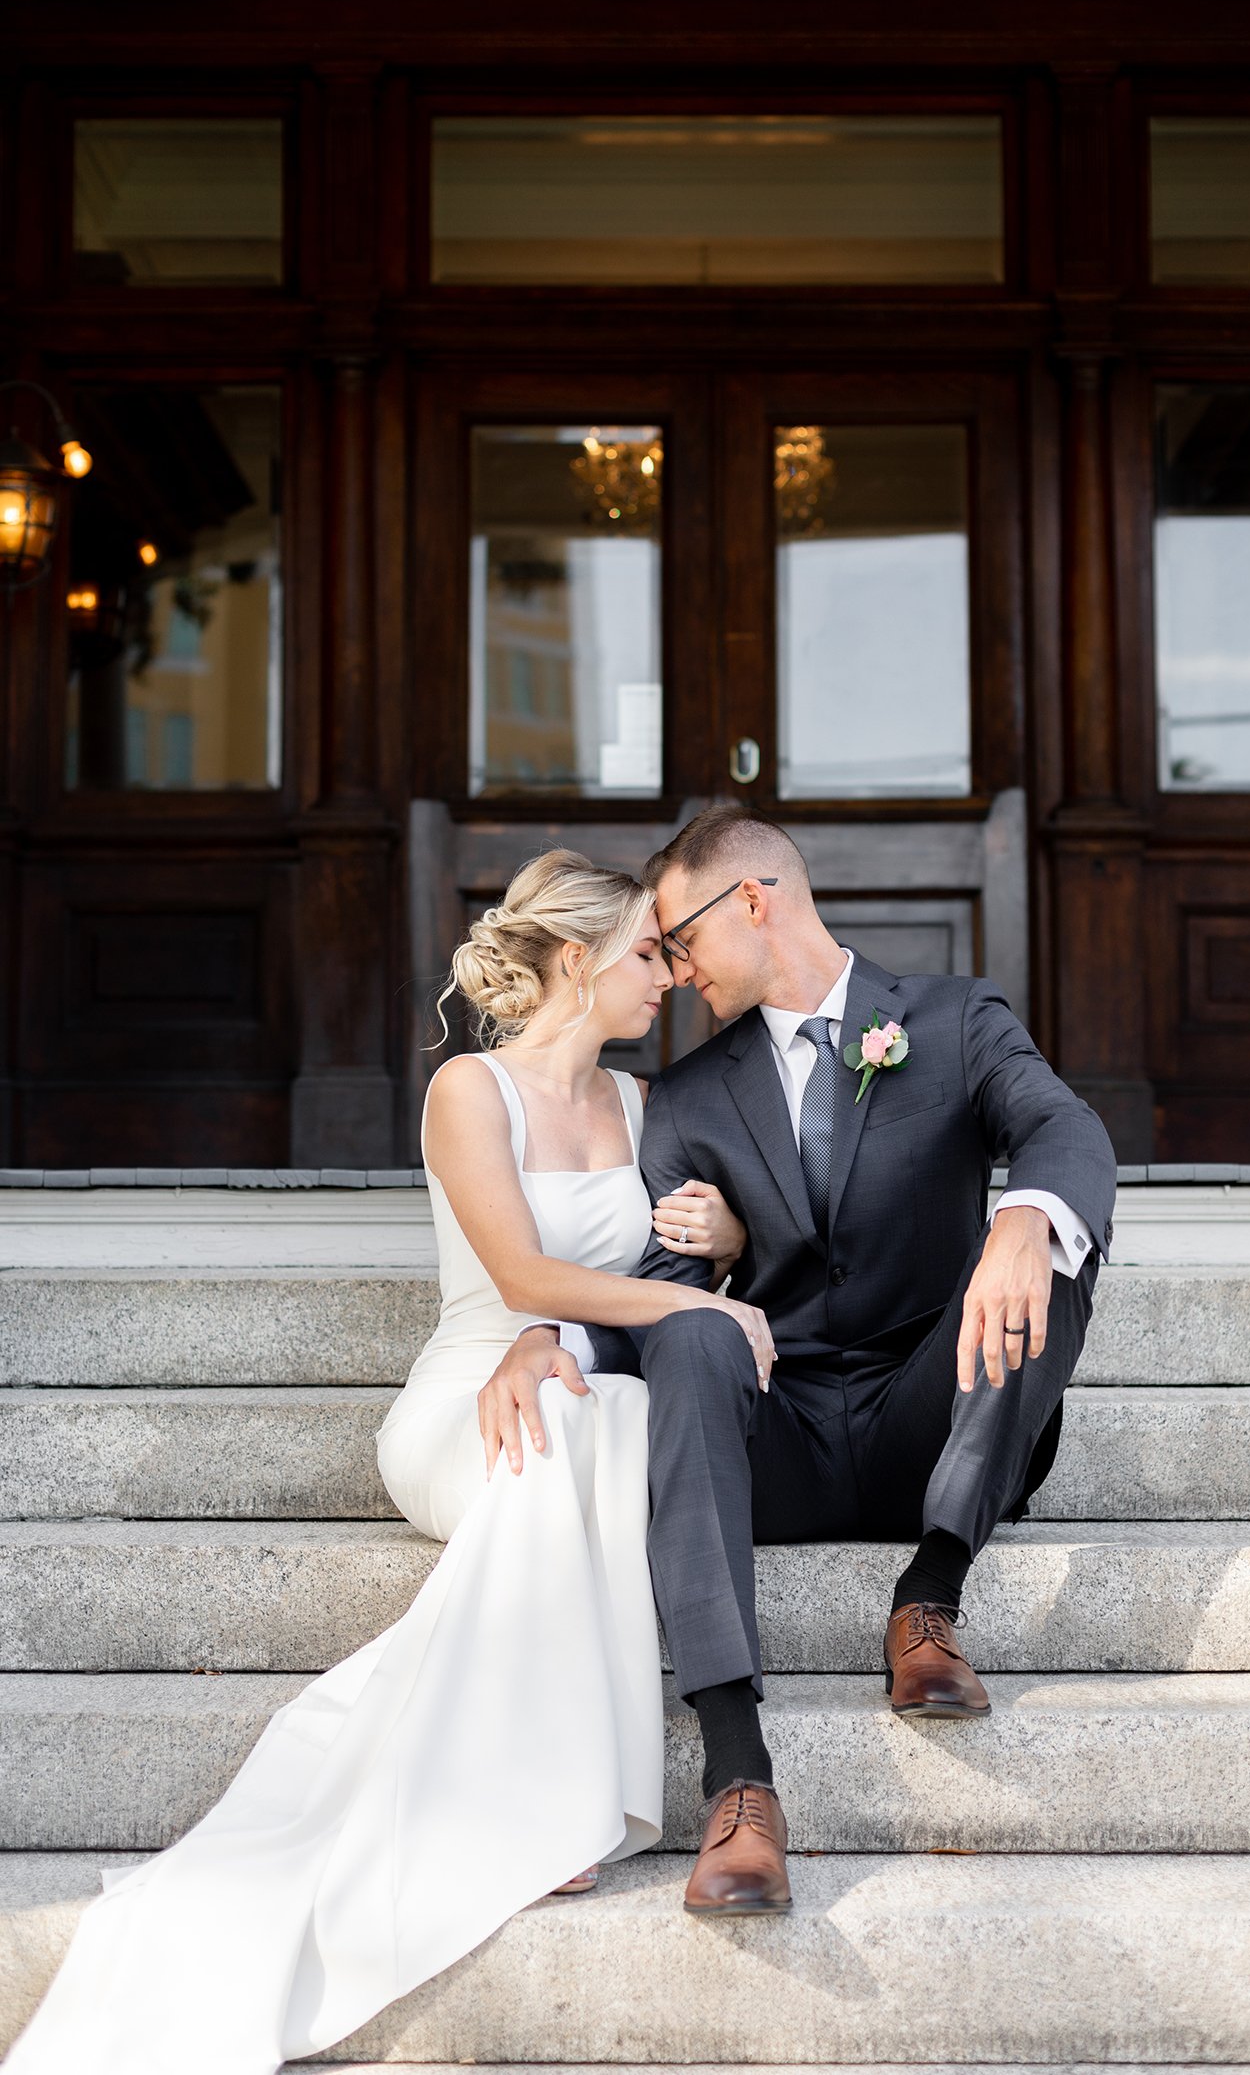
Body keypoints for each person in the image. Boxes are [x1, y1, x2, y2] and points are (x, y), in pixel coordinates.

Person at [4, 848, 766, 2075]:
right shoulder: (470, 1091)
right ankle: (530, 1802)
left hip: (581, 1381)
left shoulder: (640, 1107)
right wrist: (589, 1327)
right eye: (645, 954)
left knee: (611, 1424)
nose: (667, 979)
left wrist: (719, 1247)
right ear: (575, 960)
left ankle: (551, 1792)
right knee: (569, 1430)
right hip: (469, 1394)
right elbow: (520, 1276)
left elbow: (673, 1268)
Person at [484, 808, 1118, 1918]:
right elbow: (654, 1273)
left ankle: (926, 1601)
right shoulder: (684, 1097)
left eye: (678, 941)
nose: (673, 975)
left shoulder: (953, 1016)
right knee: (689, 1332)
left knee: (1050, 1250)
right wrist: (551, 1335)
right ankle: (736, 1776)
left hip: (934, 1410)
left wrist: (1019, 1221)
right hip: (777, 1427)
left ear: (754, 902)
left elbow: (1060, 1128)